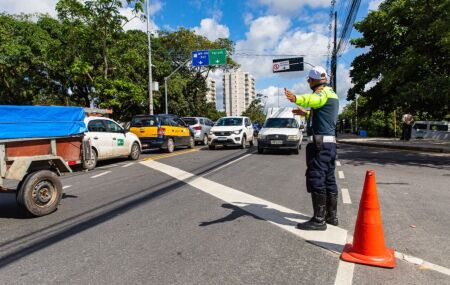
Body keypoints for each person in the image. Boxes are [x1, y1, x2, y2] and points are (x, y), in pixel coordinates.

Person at [285, 66, 339, 231]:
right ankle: (331, 216)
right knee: (329, 180)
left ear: (315, 80)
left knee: (317, 178)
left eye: (309, 79)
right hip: (329, 144)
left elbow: (314, 100)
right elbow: (321, 112)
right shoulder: (331, 94)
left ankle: (319, 220)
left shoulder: (321, 93)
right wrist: (306, 114)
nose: (308, 82)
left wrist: (296, 98)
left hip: (320, 144)